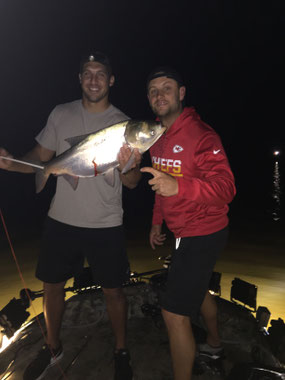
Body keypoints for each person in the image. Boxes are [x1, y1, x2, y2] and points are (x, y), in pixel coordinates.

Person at [0, 51, 141, 380]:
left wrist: (125, 165)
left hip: (106, 222)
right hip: (61, 219)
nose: (94, 80)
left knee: (115, 290)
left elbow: (133, 182)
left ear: (111, 80)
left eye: (100, 74)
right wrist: (11, 163)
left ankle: (121, 351)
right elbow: (41, 157)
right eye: (88, 74)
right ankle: (53, 346)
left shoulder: (125, 125)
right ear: (80, 79)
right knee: (51, 286)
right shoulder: (60, 114)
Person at [141, 66, 236, 380]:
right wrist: (158, 222)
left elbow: (226, 189)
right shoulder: (156, 136)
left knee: (173, 313)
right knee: (198, 287)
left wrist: (179, 187)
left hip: (205, 231)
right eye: (154, 90)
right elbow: (160, 184)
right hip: (183, 231)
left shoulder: (202, 135)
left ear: (181, 94)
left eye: (167, 88)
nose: (160, 95)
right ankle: (214, 342)